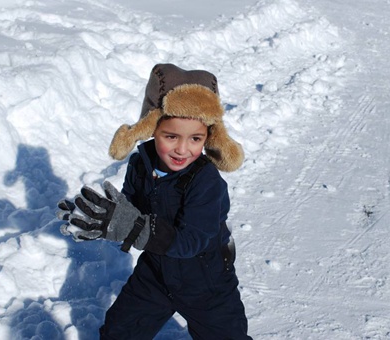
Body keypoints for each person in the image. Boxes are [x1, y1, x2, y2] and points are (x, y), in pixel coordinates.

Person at [57, 63, 251, 339]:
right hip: (155, 275)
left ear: (209, 136)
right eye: (171, 136)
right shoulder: (140, 164)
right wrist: (103, 220)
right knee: (118, 332)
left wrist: (134, 228)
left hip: (206, 281)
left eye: (195, 138)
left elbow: (191, 241)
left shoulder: (207, 181)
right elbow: (131, 210)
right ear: (152, 128)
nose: (182, 149)